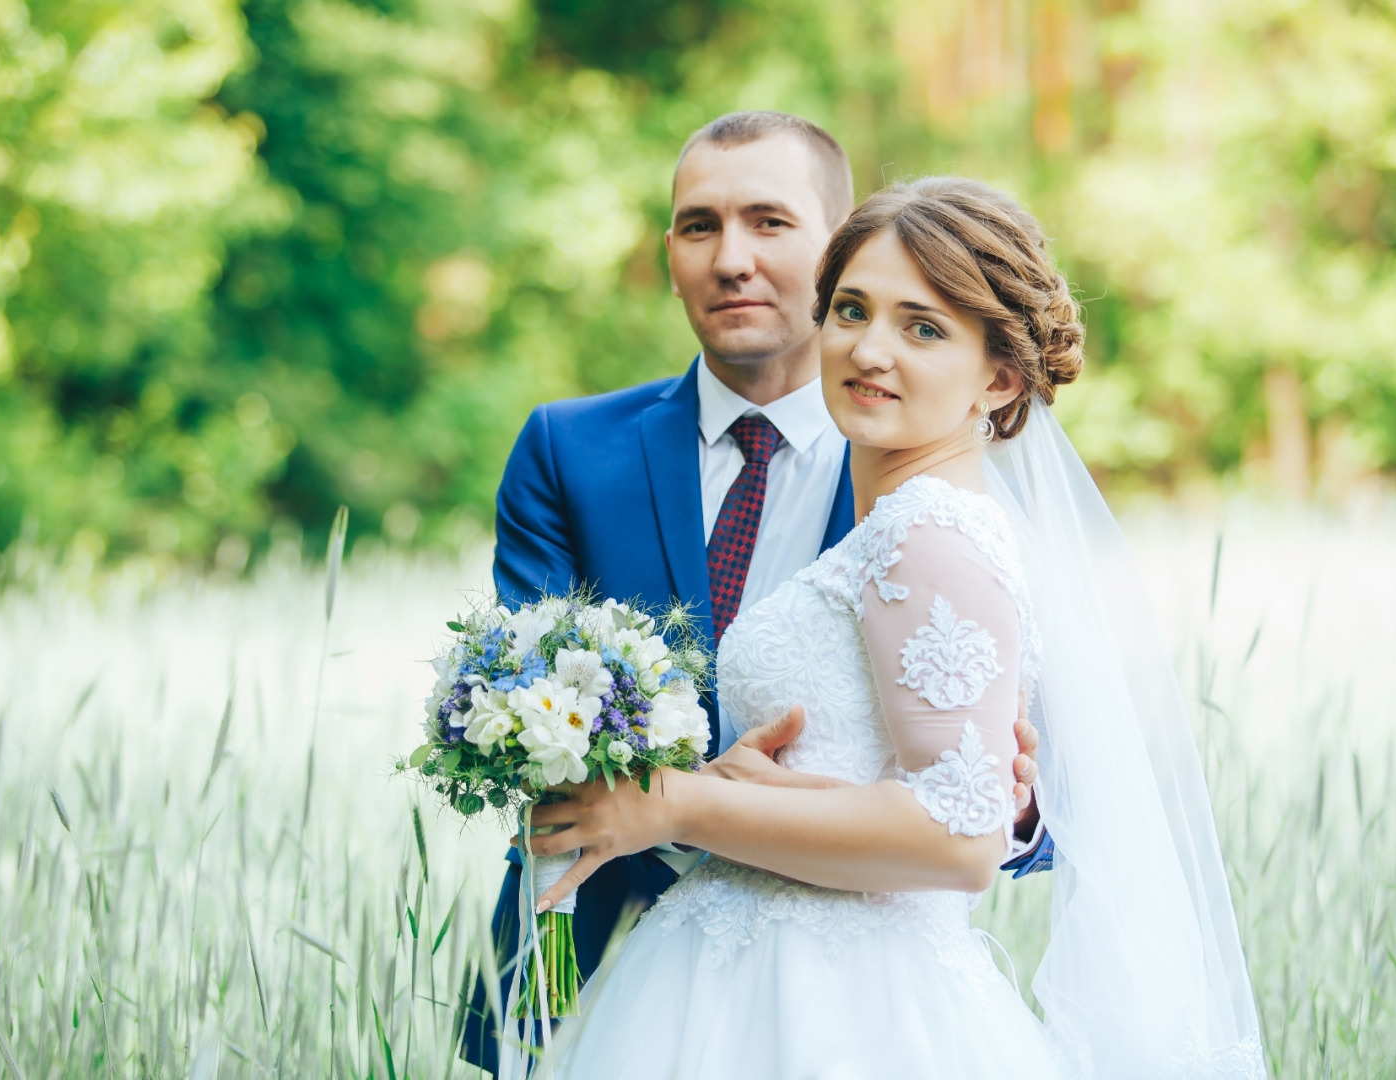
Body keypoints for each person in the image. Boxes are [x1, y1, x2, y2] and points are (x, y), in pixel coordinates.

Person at [520, 179, 1266, 1077]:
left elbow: (958, 839)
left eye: (922, 327)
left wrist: (680, 803)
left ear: (997, 374)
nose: (869, 349)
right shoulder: (916, 521)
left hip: (845, 1014)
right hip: (752, 979)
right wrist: (738, 790)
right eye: (850, 310)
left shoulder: (929, 532)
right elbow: (909, 788)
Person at [459, 113, 1053, 1072]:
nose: (731, 257)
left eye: (770, 222)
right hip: (596, 956)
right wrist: (689, 793)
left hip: (848, 993)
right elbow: (521, 720)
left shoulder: (934, 499)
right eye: (699, 226)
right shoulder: (567, 452)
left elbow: (987, 778)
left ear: (833, 242)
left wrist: (1013, 806)